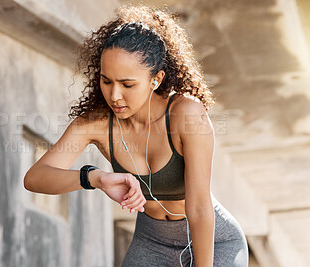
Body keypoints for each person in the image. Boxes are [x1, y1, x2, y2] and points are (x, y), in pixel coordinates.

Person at [24, 5, 249, 267]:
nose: (114, 95)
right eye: (106, 81)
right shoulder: (95, 124)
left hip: (213, 242)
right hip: (150, 242)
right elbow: (35, 178)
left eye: (127, 84)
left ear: (156, 79)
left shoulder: (186, 115)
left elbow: (199, 208)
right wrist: (96, 178)